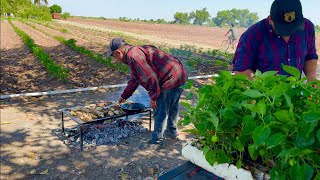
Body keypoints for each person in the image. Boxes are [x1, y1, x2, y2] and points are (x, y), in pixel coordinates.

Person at [106, 37, 188, 146]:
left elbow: (150, 77)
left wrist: (154, 96)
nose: (115, 59)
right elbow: (135, 79)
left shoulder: (133, 56)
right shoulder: (135, 52)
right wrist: (124, 96)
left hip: (170, 78)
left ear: (118, 52)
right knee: (173, 105)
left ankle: (157, 141)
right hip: (179, 74)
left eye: (113, 56)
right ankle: (172, 131)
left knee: (159, 111)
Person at [232, 0, 318, 82]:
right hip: (265, 94)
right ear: (270, 19)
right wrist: (267, 90)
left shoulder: (307, 27)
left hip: (294, 92)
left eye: (293, 28)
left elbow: (310, 56)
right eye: (283, 29)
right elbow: (240, 71)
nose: (288, 33)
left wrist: (311, 78)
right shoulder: (253, 34)